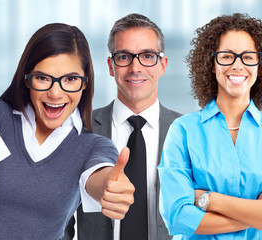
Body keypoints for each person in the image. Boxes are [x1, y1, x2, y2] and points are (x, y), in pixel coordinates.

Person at [0, 23, 135, 239]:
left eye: (70, 79)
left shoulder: (93, 147)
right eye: (43, 78)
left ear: (85, 84)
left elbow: (100, 177)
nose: (56, 93)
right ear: (27, 78)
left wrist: (110, 188)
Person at [158, 13, 262, 239]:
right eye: (227, 56)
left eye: (247, 57)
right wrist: (259, 209)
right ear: (212, 62)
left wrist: (210, 200)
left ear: (260, 64)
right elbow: (178, 217)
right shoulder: (183, 131)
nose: (237, 66)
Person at [63, 14, 181, 240]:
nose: (135, 67)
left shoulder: (187, 133)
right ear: (111, 65)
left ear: (162, 65)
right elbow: (61, 222)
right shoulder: (80, 130)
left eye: (147, 56)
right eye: (124, 56)